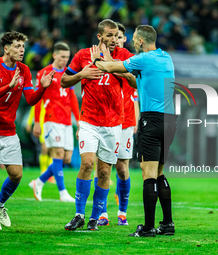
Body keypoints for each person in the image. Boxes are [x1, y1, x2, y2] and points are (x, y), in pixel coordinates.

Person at [90, 25, 177, 237]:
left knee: (148, 176)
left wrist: (97, 60)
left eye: (134, 42)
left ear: (139, 42)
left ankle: (147, 228)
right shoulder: (166, 57)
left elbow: (111, 68)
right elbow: (136, 81)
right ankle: (167, 223)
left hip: (151, 119)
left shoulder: (143, 59)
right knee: (159, 173)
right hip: (171, 121)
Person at [0, 31, 55, 230]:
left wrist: (42, 88)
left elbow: (30, 99)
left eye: (23, 47)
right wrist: (9, 86)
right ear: (6, 48)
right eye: (17, 46)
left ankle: (0, 205)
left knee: (16, 175)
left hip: (8, 127)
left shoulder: (25, 70)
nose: (22, 50)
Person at [61, 19, 135, 231]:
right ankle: (79, 214)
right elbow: (64, 81)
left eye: (116, 35)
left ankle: (95, 217)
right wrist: (82, 74)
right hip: (89, 121)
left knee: (104, 172)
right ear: (99, 36)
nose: (113, 39)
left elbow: (134, 81)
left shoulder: (124, 56)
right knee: (87, 163)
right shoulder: (83, 55)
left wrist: (110, 63)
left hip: (113, 124)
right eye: (109, 35)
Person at [96, 22, 140, 227]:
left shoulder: (130, 58)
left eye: (120, 37)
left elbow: (135, 85)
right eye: (114, 36)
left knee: (122, 168)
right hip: (105, 119)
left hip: (126, 121)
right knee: (103, 167)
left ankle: (122, 211)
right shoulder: (96, 55)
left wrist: (111, 64)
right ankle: (102, 212)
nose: (117, 40)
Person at [28, 41, 79, 202]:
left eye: (67, 57)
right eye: (62, 56)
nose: (65, 60)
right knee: (57, 154)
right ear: (54, 55)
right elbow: (38, 97)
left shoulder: (67, 73)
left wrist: (79, 121)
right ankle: (63, 193)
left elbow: (72, 98)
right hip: (51, 118)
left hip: (66, 120)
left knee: (67, 158)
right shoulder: (44, 72)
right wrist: (37, 122)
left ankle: (39, 181)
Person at [26, 103, 55, 183]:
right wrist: (29, 122)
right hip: (43, 125)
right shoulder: (41, 93)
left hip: (52, 124)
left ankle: (50, 175)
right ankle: (43, 171)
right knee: (44, 149)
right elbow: (34, 108)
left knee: (52, 151)